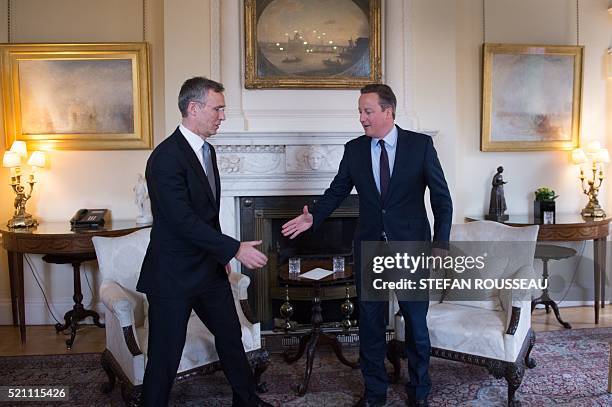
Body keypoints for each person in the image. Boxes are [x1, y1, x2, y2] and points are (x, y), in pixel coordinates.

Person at [281, 84, 452, 407]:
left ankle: (419, 392)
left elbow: (442, 200)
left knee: (416, 324)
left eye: (367, 111)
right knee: (370, 324)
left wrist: (440, 244)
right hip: (370, 247)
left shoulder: (420, 146)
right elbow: (336, 191)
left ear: (388, 112)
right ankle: (375, 393)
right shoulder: (355, 150)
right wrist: (313, 217)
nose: (361, 118)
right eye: (359, 111)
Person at [136, 77, 271, 407]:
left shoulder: (206, 151)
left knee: (231, 339)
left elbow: (207, 214)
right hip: (173, 275)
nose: (222, 115)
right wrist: (233, 248)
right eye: (218, 108)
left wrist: (220, 256)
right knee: (164, 358)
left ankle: (247, 400)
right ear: (193, 108)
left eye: (223, 109)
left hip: (208, 271)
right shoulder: (165, 158)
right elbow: (181, 221)